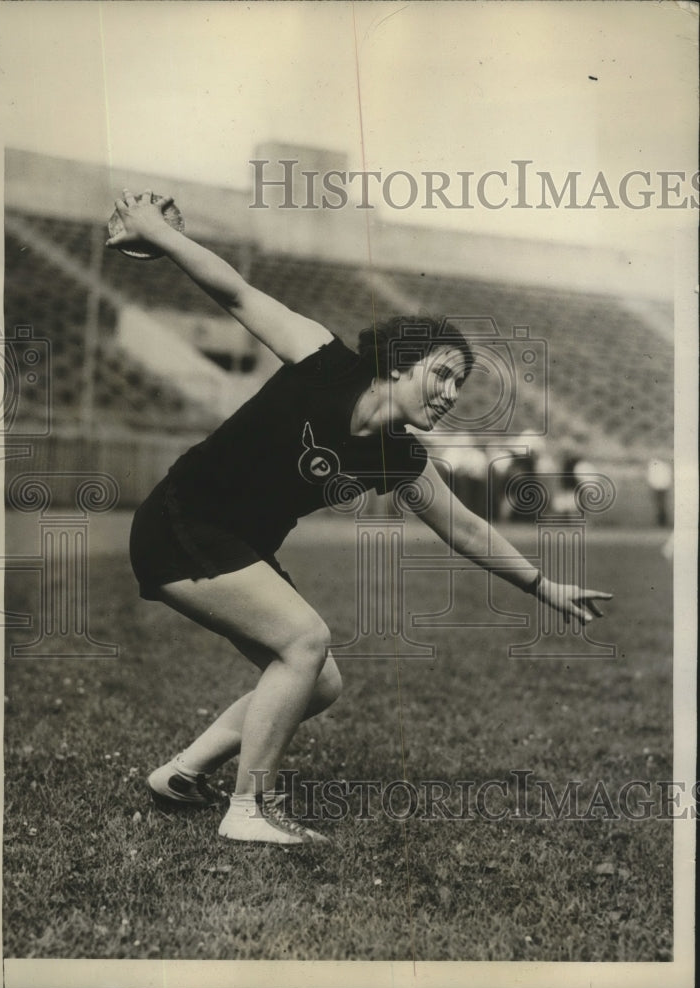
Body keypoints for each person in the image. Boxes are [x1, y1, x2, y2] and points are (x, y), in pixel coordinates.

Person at [109, 189, 613, 846]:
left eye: (462, 387)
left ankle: (182, 773)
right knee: (305, 641)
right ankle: (248, 809)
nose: (453, 395)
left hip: (236, 544)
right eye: (445, 375)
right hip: (181, 522)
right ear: (403, 361)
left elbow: (464, 528)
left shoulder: (399, 454)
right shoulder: (323, 359)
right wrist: (161, 234)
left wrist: (545, 586)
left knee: (319, 682)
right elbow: (233, 294)